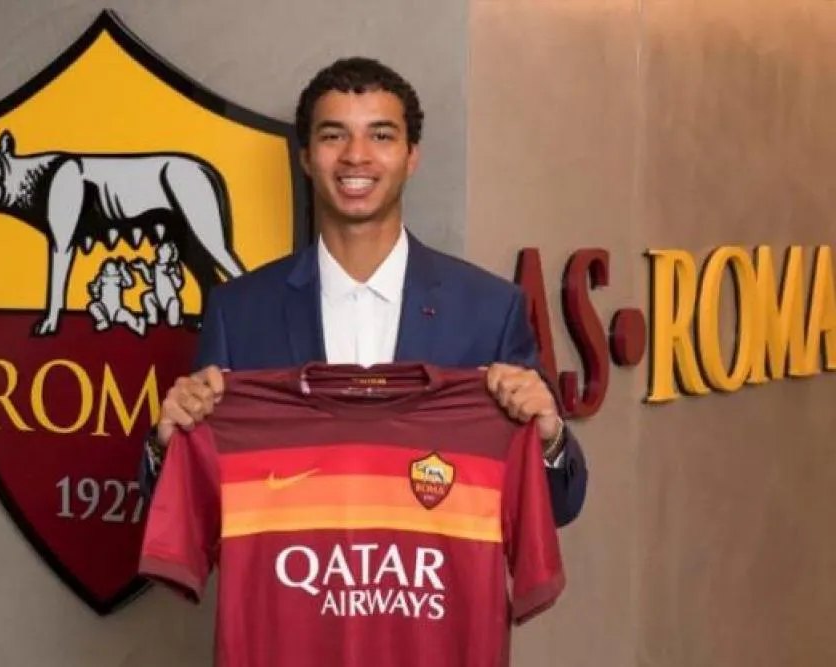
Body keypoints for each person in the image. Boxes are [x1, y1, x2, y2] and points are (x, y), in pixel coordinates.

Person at [138, 56, 587, 527]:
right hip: (291, 574)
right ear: (306, 157)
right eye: (334, 136)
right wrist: (169, 443)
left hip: (436, 574)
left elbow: (559, 507)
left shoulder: (489, 310)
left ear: (412, 156)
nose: (356, 155)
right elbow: (186, 512)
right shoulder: (239, 312)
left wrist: (548, 438)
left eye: (381, 136)